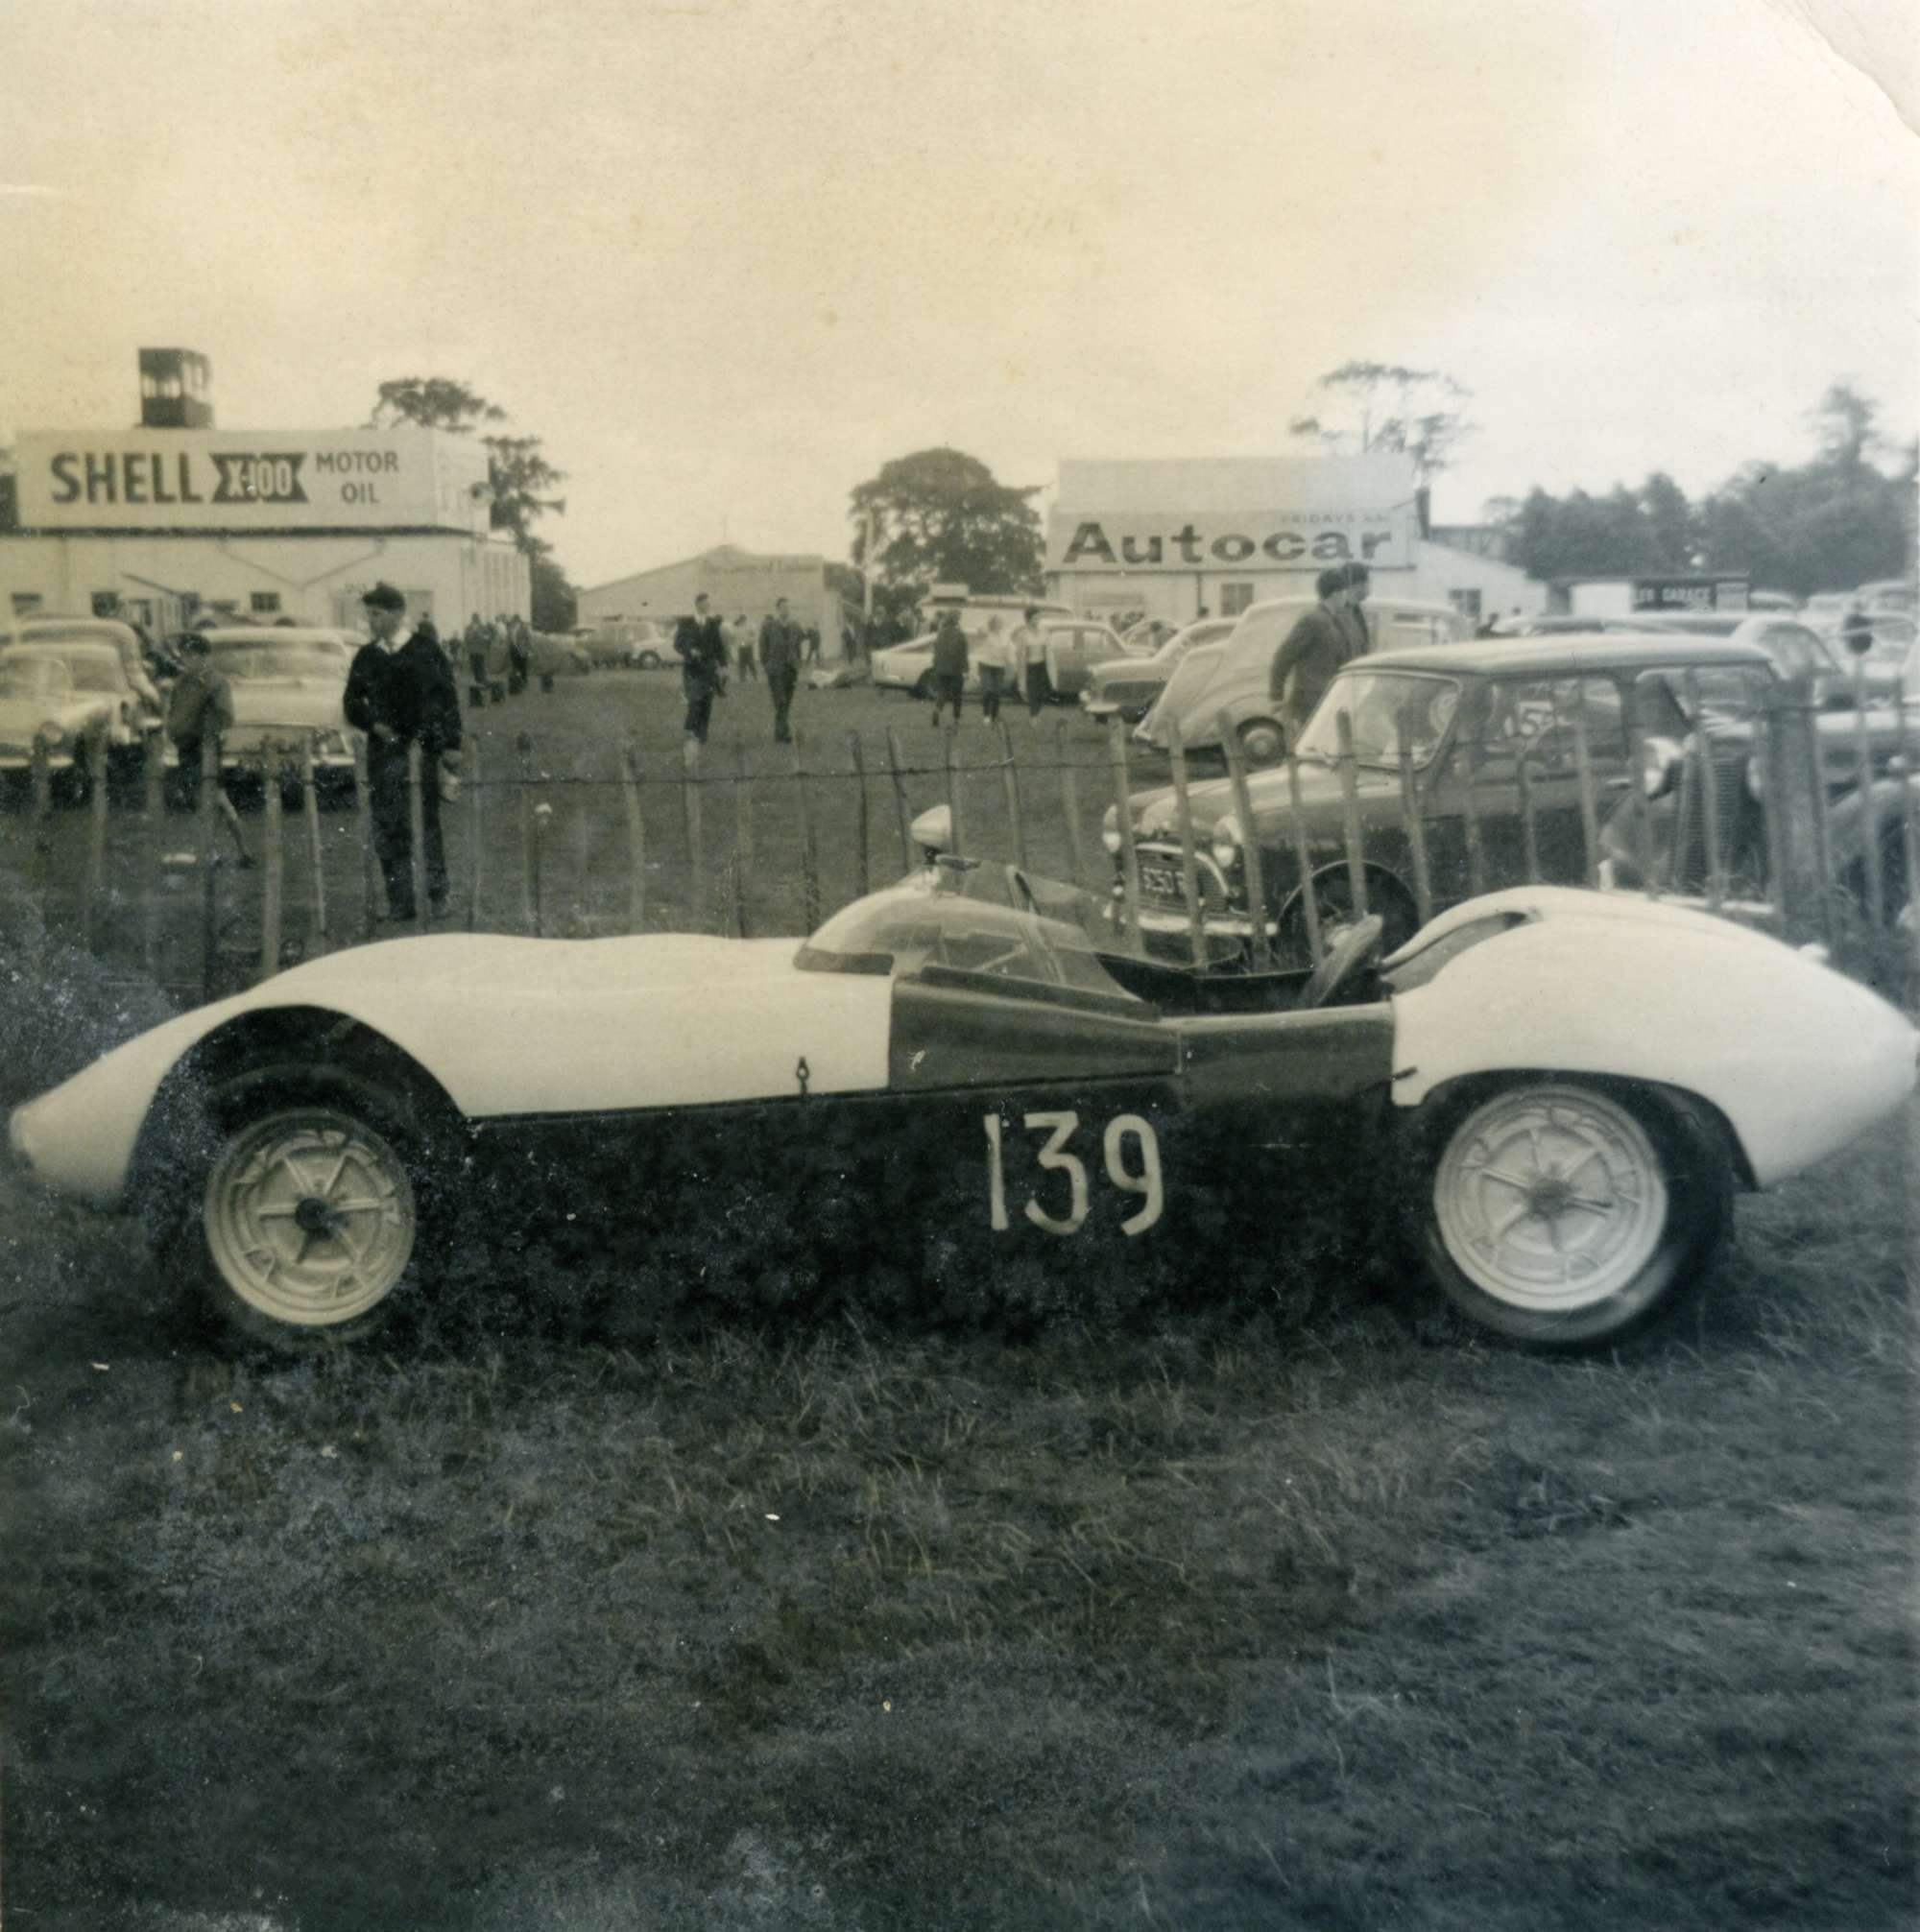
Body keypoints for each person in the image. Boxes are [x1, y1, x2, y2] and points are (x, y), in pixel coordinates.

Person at [343, 582, 463, 921]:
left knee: (426, 824)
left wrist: (452, 746)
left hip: (423, 751)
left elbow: (448, 698)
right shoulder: (367, 656)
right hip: (385, 753)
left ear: (398, 614)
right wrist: (374, 724)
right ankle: (400, 901)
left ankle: (438, 895)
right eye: (369, 615)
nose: (371, 621)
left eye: (377, 614)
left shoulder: (426, 649)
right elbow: (351, 702)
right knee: (389, 825)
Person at [164, 632, 251, 863]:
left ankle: (238, 851)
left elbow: (225, 715)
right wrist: (173, 731)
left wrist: (206, 732)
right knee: (203, 800)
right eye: (184, 655)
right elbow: (174, 713)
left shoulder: (215, 683)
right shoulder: (181, 683)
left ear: (203, 657)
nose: (185, 660)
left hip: (206, 749)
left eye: (190, 655)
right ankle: (217, 852)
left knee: (215, 799)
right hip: (185, 748)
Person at [1267, 567, 1359, 746]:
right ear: (1336, 594)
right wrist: (1276, 696)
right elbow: (1282, 657)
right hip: (1308, 704)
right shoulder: (1311, 620)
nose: (1346, 598)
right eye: (1344, 593)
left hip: (1328, 700)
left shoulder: (1336, 620)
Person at [674, 592, 728, 746]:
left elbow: (719, 646)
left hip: (709, 668)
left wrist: (723, 665)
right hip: (692, 668)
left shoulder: (712, 623)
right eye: (705, 603)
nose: (708, 606)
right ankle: (692, 728)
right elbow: (677, 644)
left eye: (709, 603)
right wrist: (689, 651)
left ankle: (702, 733)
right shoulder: (686, 622)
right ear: (697, 604)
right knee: (694, 700)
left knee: (707, 701)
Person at [758, 595, 804, 744]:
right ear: (777, 609)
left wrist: (797, 664)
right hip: (775, 669)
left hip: (790, 669)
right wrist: (767, 665)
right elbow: (763, 648)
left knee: (786, 702)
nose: (786, 610)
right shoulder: (768, 626)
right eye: (783, 607)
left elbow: (798, 647)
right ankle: (784, 733)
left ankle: (779, 733)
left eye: (788, 607)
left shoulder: (795, 626)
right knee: (781, 701)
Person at [929, 608, 969, 727]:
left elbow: (936, 651)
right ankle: (956, 719)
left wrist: (936, 665)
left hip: (941, 668)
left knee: (942, 692)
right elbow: (963, 654)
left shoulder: (940, 633)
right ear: (958, 619)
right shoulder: (960, 634)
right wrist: (966, 669)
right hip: (956, 669)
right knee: (957, 695)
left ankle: (937, 710)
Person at [1009, 606, 1049, 719]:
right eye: (1036, 617)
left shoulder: (1043, 631)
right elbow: (1019, 653)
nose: (1038, 619)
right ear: (1029, 618)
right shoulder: (1022, 633)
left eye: (1039, 617)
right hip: (1030, 666)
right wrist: (1019, 668)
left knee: (1042, 692)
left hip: (1042, 665)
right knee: (1033, 691)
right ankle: (1034, 716)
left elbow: (1047, 647)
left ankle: (1036, 713)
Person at [974, 614, 1009, 724]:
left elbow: (1007, 651)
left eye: (1000, 621)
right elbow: (979, 629)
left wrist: (1009, 662)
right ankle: (986, 715)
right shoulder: (986, 634)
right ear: (992, 623)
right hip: (986, 664)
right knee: (987, 690)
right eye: (997, 621)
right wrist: (986, 627)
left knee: (997, 692)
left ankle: (994, 716)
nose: (999, 624)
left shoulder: (1005, 635)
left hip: (999, 665)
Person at [732, 611, 759, 682]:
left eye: (743, 618)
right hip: (741, 648)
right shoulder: (737, 627)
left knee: (751, 663)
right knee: (741, 663)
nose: (742, 620)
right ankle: (742, 678)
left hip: (748, 647)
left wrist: (751, 642)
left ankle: (755, 676)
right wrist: (737, 645)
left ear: (745, 619)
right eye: (741, 619)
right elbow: (736, 637)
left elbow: (755, 636)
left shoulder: (750, 626)